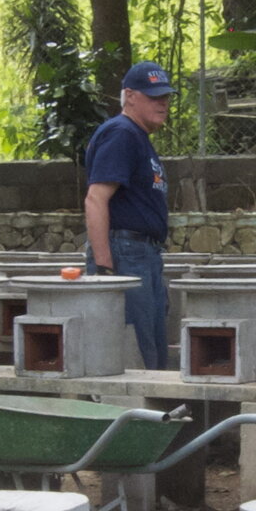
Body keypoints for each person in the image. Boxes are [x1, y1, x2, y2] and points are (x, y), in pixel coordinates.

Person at [83, 60, 174, 368]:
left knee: (152, 350)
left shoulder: (137, 137)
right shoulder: (122, 133)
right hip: (126, 253)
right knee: (134, 351)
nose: (162, 104)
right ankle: (133, 415)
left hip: (144, 254)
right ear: (130, 96)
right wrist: (105, 270)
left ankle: (151, 414)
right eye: (153, 97)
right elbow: (96, 199)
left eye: (165, 97)